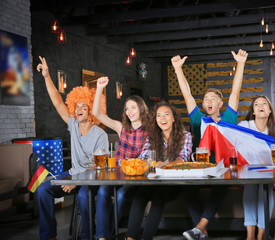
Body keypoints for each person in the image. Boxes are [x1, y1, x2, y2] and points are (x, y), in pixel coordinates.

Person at [171, 49, 248, 240]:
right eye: (206, 99)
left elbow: (236, 91)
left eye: (213, 98)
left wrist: (240, 64)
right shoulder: (198, 120)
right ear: (204, 105)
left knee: (220, 183)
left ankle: (199, 228)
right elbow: (187, 95)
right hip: (201, 169)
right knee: (185, 187)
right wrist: (178, 69)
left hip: (223, 170)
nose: (209, 101)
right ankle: (201, 230)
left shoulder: (229, 118)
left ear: (221, 103)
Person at [36, 56, 109, 240]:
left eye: (84, 106)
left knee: (84, 197)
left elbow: (100, 166)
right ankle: (48, 236)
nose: (79, 110)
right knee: (42, 189)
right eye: (77, 106)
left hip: (91, 179)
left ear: (91, 109)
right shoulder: (73, 125)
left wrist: (77, 182)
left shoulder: (100, 135)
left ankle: (86, 236)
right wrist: (46, 76)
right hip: (73, 173)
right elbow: (57, 102)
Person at [76, 77, 149, 240]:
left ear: (142, 109)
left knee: (122, 196)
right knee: (102, 191)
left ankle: (107, 232)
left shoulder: (149, 132)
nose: (129, 111)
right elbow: (96, 114)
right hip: (115, 174)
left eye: (133, 107)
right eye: (127, 108)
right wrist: (100, 88)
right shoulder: (121, 128)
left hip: (133, 178)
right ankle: (102, 237)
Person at [126, 101, 192, 240]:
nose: (163, 119)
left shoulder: (185, 135)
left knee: (158, 197)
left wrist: (165, 165)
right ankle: (130, 238)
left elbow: (183, 159)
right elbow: (143, 157)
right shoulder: (152, 137)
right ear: (155, 120)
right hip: (154, 180)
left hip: (175, 182)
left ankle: (146, 238)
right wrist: (148, 163)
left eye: (166, 115)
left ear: (173, 118)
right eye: (159, 116)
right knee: (139, 195)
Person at [238, 96, 275, 240]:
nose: (260, 106)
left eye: (264, 104)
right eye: (256, 104)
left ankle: (261, 235)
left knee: (265, 187)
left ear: (269, 111)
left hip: (268, 175)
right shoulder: (245, 125)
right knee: (251, 186)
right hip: (247, 173)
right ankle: (250, 236)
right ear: (253, 111)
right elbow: (232, 139)